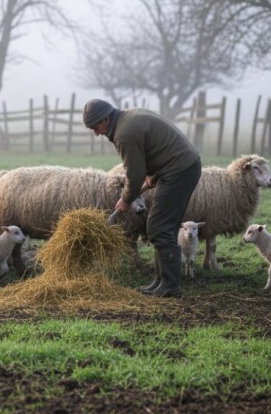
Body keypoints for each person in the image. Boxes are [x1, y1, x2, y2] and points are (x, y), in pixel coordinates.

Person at [83, 99, 201, 297]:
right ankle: (160, 281)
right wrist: (154, 175)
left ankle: (170, 285)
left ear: (105, 119)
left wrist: (126, 199)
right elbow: (156, 149)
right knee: (163, 226)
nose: (96, 133)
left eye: (96, 127)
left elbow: (134, 174)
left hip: (179, 170)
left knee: (158, 226)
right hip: (179, 166)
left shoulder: (124, 134)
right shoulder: (127, 118)